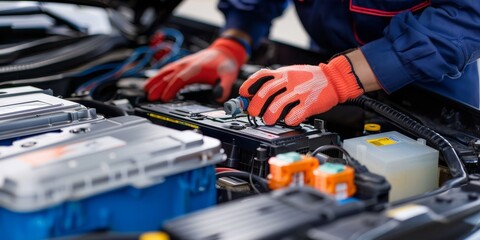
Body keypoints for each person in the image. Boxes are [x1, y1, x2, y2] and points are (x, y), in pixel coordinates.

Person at [144, 0, 480, 126]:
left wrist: (343, 76)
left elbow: (469, 16)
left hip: (433, 89)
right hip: (317, 73)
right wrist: (234, 40)